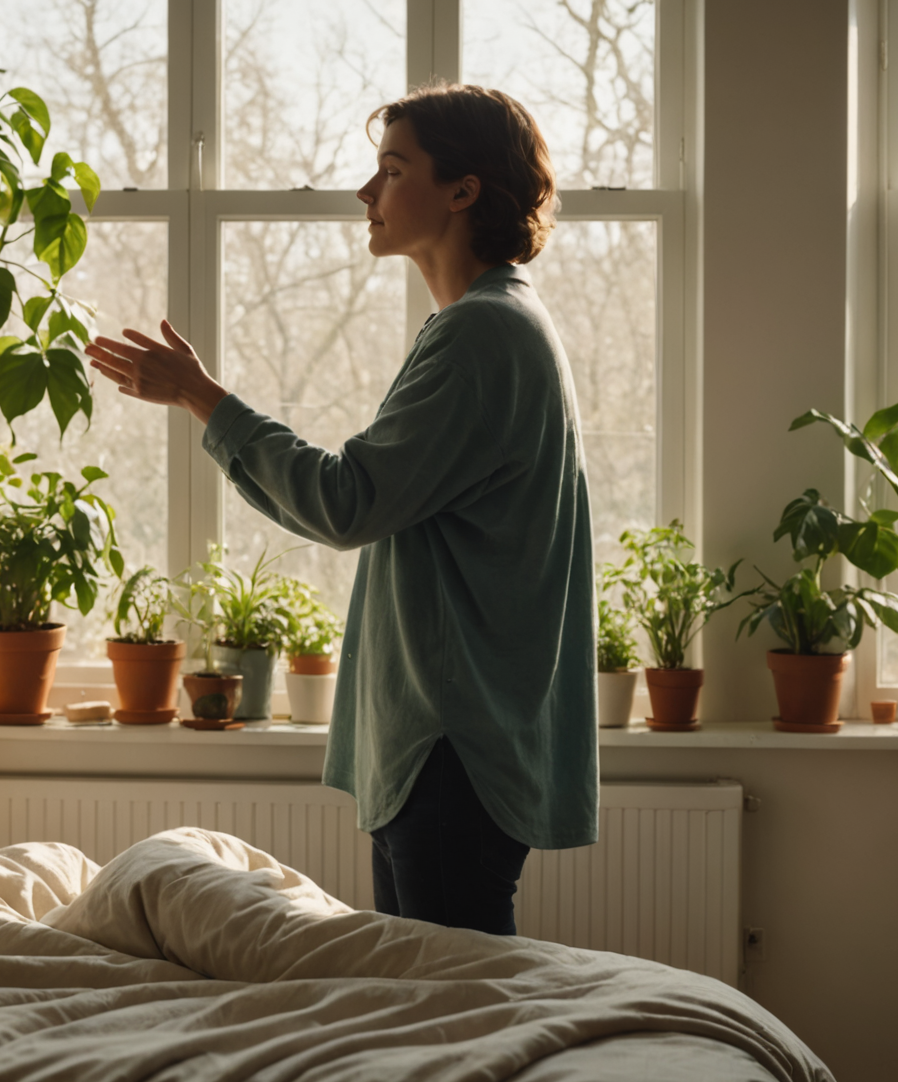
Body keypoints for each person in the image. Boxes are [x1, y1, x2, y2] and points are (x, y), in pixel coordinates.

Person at [84, 84, 596, 936]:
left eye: (393, 170)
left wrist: (202, 397)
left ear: (463, 190)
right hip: (446, 744)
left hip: (451, 746)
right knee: (417, 1004)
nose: (367, 192)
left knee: (444, 1013)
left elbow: (346, 500)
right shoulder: (487, 323)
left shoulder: (483, 334)